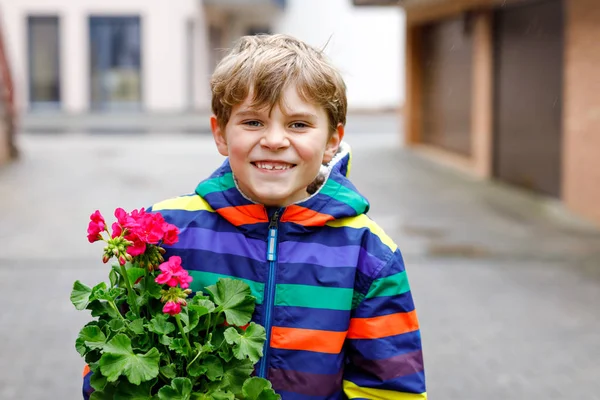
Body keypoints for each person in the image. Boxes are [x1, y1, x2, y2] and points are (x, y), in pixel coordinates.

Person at [83, 33, 426, 399]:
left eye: (298, 124)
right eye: (253, 123)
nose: (275, 140)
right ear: (221, 134)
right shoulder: (166, 231)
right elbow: (108, 368)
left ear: (332, 141)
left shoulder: (369, 254)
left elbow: (390, 389)